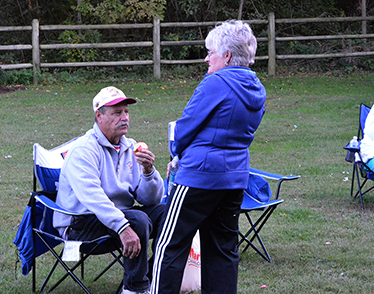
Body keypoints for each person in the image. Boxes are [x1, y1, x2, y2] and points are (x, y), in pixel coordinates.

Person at [151, 20, 266, 294]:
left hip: (198, 177)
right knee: (222, 251)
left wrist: (176, 154)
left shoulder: (215, 82)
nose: (206, 58)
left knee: (170, 244)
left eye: (211, 52)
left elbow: (186, 127)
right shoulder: (257, 88)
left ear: (226, 56)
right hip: (234, 179)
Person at [53, 86, 165, 294]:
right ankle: (135, 289)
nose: (124, 118)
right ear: (99, 116)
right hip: (80, 223)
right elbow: (93, 198)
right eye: (117, 113)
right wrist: (122, 226)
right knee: (137, 219)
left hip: (117, 217)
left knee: (169, 214)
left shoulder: (131, 147)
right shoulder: (83, 150)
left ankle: (157, 277)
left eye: (126, 112)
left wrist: (149, 172)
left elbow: (151, 199)